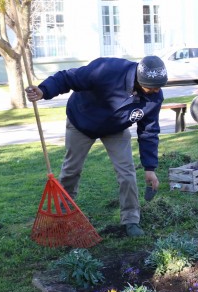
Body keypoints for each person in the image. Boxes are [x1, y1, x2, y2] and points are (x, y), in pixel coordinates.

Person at [25, 55, 167, 237]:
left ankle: (131, 220)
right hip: (82, 122)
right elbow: (68, 77)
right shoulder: (107, 69)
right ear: (139, 80)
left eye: (159, 87)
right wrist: (44, 90)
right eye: (152, 87)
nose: (156, 91)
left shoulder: (155, 96)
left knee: (127, 172)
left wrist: (150, 167)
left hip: (116, 128)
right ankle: (63, 215)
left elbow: (149, 131)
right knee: (71, 170)